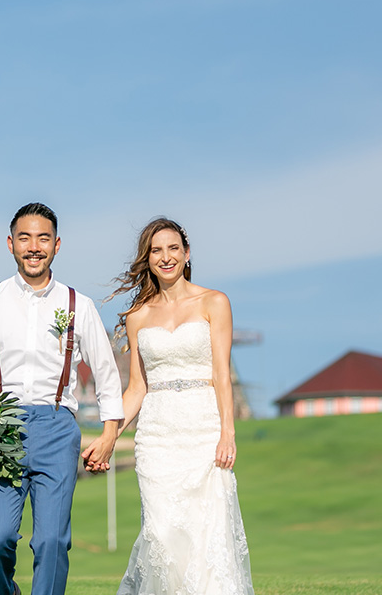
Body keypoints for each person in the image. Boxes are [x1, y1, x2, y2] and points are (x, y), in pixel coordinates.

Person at [0, 203, 124, 595]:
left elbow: (108, 376)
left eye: (43, 238)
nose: (34, 246)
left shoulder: (79, 306)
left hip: (57, 428)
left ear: (57, 245)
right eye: (25, 238)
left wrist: (109, 434)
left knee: (51, 541)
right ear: (10, 244)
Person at [110, 217, 254, 595]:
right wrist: (109, 436)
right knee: (160, 533)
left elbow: (222, 375)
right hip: (157, 437)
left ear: (187, 254)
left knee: (208, 536)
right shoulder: (137, 316)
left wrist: (228, 433)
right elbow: (137, 388)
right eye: (156, 250)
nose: (166, 257)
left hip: (203, 431)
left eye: (173, 248)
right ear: (148, 258)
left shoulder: (214, 302)